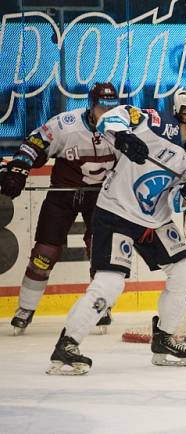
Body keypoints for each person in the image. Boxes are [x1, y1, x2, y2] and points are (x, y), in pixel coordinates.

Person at [47, 86, 186, 375]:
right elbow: (110, 118)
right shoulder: (154, 120)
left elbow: (177, 201)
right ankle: (67, 345)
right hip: (116, 211)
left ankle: (164, 338)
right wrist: (125, 137)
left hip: (154, 220)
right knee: (110, 283)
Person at [1, 83, 119, 335]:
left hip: (101, 197)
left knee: (102, 251)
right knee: (44, 253)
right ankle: (26, 308)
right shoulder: (66, 124)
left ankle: (101, 306)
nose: (106, 113)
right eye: (101, 108)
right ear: (90, 105)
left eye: (112, 108)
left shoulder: (125, 129)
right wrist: (20, 170)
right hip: (62, 196)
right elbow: (33, 143)